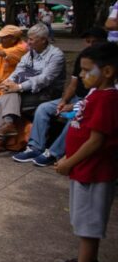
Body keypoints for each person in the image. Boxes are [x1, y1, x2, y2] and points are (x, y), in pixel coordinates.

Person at [47, 42, 118, 262]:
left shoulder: (107, 99)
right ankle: (86, 261)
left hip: (93, 172)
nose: (83, 76)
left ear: (107, 72)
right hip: (84, 170)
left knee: (88, 224)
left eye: (88, 71)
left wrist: (69, 162)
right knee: (83, 219)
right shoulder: (96, 95)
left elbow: (96, 141)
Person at [13, 28, 107, 167]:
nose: (91, 44)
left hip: (91, 102)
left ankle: (54, 152)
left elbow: (97, 95)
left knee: (75, 118)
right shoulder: (84, 57)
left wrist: (76, 105)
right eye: (88, 41)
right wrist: (64, 101)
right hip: (77, 98)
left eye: (95, 41)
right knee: (43, 108)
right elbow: (73, 85)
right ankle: (35, 147)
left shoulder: (107, 62)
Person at [0, 23, 66, 154]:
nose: (28, 42)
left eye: (32, 39)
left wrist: (18, 87)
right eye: (28, 39)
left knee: (5, 102)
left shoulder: (56, 55)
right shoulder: (30, 54)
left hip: (46, 93)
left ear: (43, 40)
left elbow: (45, 79)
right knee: (6, 98)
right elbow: (18, 70)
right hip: (26, 92)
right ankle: (7, 126)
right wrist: (9, 82)